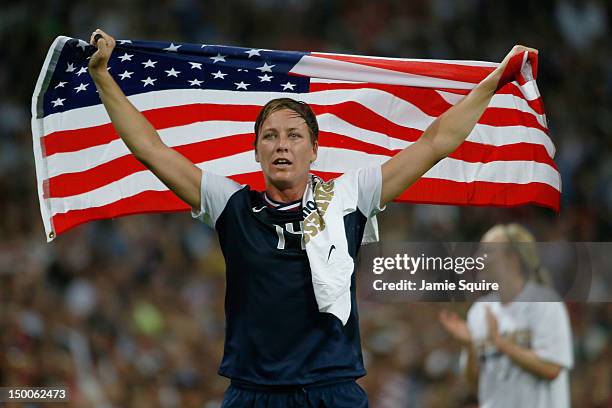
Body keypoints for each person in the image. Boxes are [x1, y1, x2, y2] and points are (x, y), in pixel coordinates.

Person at [87, 28, 536, 407]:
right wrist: (104, 77)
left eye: (294, 136)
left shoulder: (349, 195)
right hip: (252, 392)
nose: (282, 145)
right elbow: (151, 150)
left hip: (331, 390)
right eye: (271, 136)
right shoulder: (229, 203)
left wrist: (492, 83)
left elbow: (435, 141)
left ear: (314, 150)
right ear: (257, 150)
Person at [439, 224, 574, 408]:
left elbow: (552, 368)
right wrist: (470, 346)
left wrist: (501, 344)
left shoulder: (545, 304)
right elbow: (473, 384)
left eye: (487, 252)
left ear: (512, 259)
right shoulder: (479, 311)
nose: (477, 259)